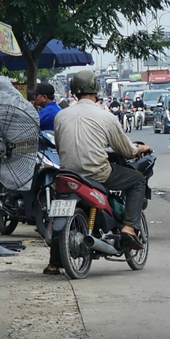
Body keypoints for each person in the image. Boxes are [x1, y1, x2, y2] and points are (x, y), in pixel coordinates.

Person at [44, 71, 152, 275]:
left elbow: (60, 146)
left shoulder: (61, 115)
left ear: (74, 91)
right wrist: (140, 148)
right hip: (97, 173)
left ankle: (53, 263)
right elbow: (126, 150)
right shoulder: (105, 116)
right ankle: (129, 227)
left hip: (68, 174)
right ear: (96, 90)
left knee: (60, 210)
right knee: (137, 180)